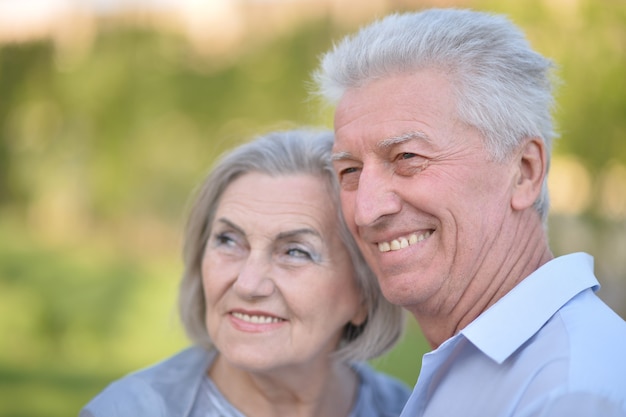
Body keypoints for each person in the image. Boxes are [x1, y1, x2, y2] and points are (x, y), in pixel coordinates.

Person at [312, 8, 626, 417]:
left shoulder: (568, 394)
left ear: (524, 172)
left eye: (408, 156)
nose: (367, 210)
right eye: (350, 170)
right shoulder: (487, 368)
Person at [79, 129, 410, 417]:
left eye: (295, 251)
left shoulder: (407, 409)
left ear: (365, 294)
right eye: (228, 240)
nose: (248, 284)